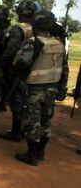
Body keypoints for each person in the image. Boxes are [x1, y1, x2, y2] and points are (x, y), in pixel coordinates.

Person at [13, 11, 68, 166]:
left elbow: (20, 63)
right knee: (46, 120)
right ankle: (41, 152)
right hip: (51, 89)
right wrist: (62, 89)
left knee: (32, 121)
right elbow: (65, 69)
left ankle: (31, 155)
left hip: (35, 89)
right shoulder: (59, 44)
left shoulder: (33, 42)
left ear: (35, 25)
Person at [0, 0, 36, 142]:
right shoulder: (36, 29)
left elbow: (10, 51)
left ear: (19, 13)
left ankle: (16, 131)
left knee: (16, 100)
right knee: (25, 100)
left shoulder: (18, 29)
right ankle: (21, 130)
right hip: (30, 71)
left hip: (15, 71)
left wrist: (2, 68)